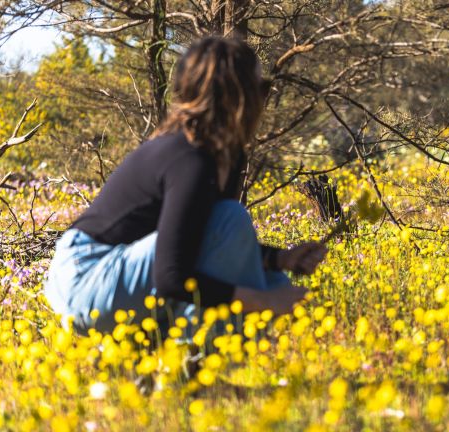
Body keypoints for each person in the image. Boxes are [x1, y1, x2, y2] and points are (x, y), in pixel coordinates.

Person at [44, 36, 327, 335]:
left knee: (274, 279)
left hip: (120, 276)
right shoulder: (190, 159)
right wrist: (263, 301)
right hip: (85, 281)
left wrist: (280, 259)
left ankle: (193, 364)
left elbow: (200, 242)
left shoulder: (224, 157)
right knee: (239, 236)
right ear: (237, 97)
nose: (265, 100)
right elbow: (172, 277)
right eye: (261, 89)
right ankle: (207, 362)